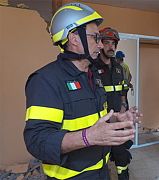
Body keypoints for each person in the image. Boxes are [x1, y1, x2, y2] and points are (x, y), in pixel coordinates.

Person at [23, 3, 139, 180]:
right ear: (74, 38)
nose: (100, 45)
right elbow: (37, 141)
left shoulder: (93, 75)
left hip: (101, 171)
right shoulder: (46, 80)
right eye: (95, 37)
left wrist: (117, 119)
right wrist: (88, 137)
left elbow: (92, 119)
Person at [94, 27, 133, 180]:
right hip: (100, 124)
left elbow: (123, 90)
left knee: (121, 158)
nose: (111, 47)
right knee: (100, 160)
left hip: (118, 123)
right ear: (100, 44)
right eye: (107, 43)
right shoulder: (92, 67)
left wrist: (123, 108)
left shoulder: (119, 68)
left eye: (113, 43)